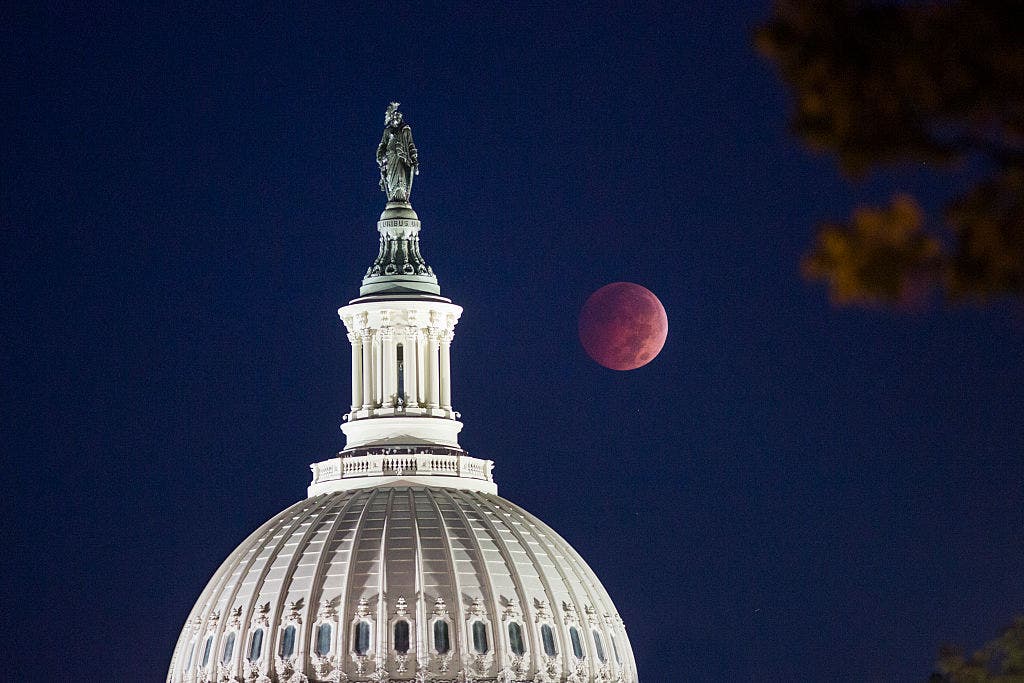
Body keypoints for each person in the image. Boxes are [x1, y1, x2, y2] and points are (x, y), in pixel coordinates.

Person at [376, 102, 419, 202]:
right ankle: (393, 199)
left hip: (403, 159)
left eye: (398, 117)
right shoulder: (387, 131)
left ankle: (403, 199)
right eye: (394, 117)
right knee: (391, 180)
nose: (396, 119)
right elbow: (382, 145)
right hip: (390, 159)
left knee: (403, 178)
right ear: (391, 118)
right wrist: (380, 156)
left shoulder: (406, 130)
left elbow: (411, 145)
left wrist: (415, 160)